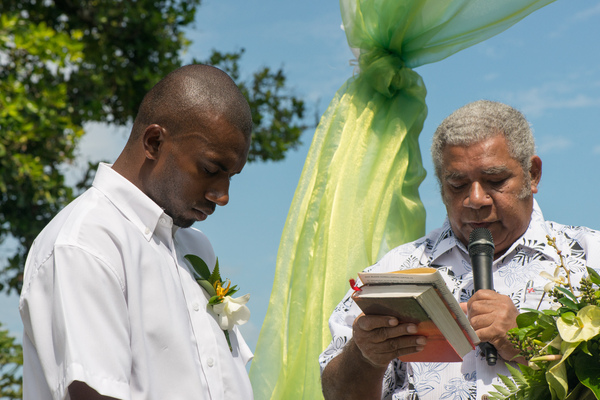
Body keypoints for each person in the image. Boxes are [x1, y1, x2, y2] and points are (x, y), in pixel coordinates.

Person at [319, 100, 600, 400]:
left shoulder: (588, 258)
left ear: (532, 174)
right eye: (457, 185)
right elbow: (337, 394)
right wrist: (365, 357)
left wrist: (530, 345)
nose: (475, 199)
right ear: (441, 186)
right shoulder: (393, 273)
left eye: (495, 180)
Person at [19, 64, 254, 400]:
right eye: (211, 169)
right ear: (154, 142)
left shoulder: (195, 248)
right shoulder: (86, 243)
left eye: (231, 176)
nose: (223, 195)